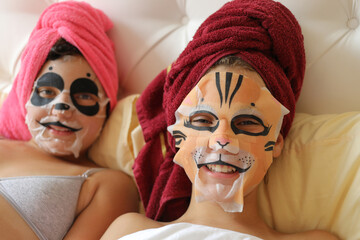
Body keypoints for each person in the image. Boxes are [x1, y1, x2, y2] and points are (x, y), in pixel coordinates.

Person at [101, 0, 339, 239]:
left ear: (276, 142)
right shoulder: (128, 230)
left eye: (247, 122)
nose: (222, 139)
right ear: (176, 136)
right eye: (203, 121)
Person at [0, 2, 138, 240]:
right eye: (46, 92)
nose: (61, 109)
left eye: (84, 96)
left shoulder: (107, 183)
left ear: (107, 107)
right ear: (26, 98)